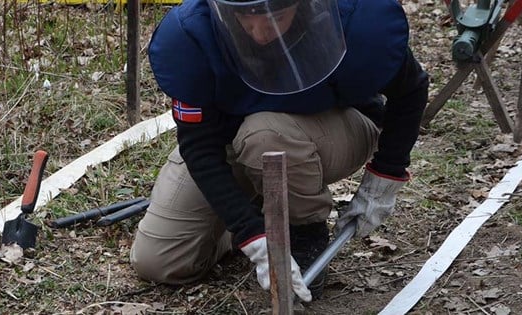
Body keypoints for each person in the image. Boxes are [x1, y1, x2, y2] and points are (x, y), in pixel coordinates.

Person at [130, 0, 429, 302]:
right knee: (160, 260)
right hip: (231, 140)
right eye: (245, 18)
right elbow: (199, 146)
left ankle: (303, 230)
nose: (259, 33)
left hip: (333, 127)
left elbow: (411, 88)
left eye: (276, 17)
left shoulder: (355, 19)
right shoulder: (191, 35)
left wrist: (384, 178)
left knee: (265, 135)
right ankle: (256, 212)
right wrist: (249, 232)